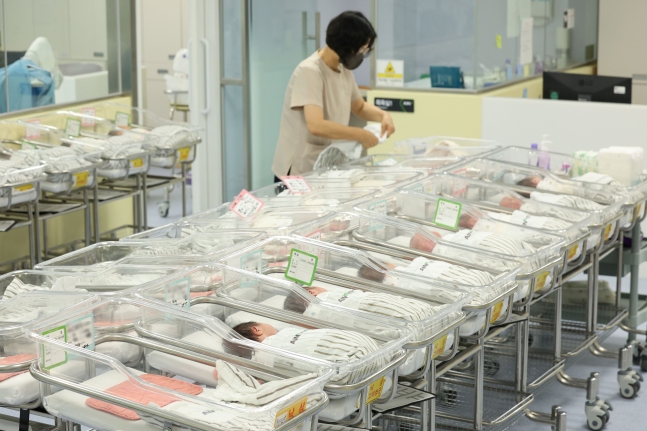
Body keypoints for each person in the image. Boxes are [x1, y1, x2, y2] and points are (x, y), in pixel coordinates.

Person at [272, 11, 395, 182]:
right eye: (361, 49)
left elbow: (358, 106)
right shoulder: (310, 71)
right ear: (346, 47)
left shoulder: (343, 68)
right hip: (299, 172)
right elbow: (316, 125)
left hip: (324, 167)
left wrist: (383, 116)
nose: (362, 54)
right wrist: (360, 134)